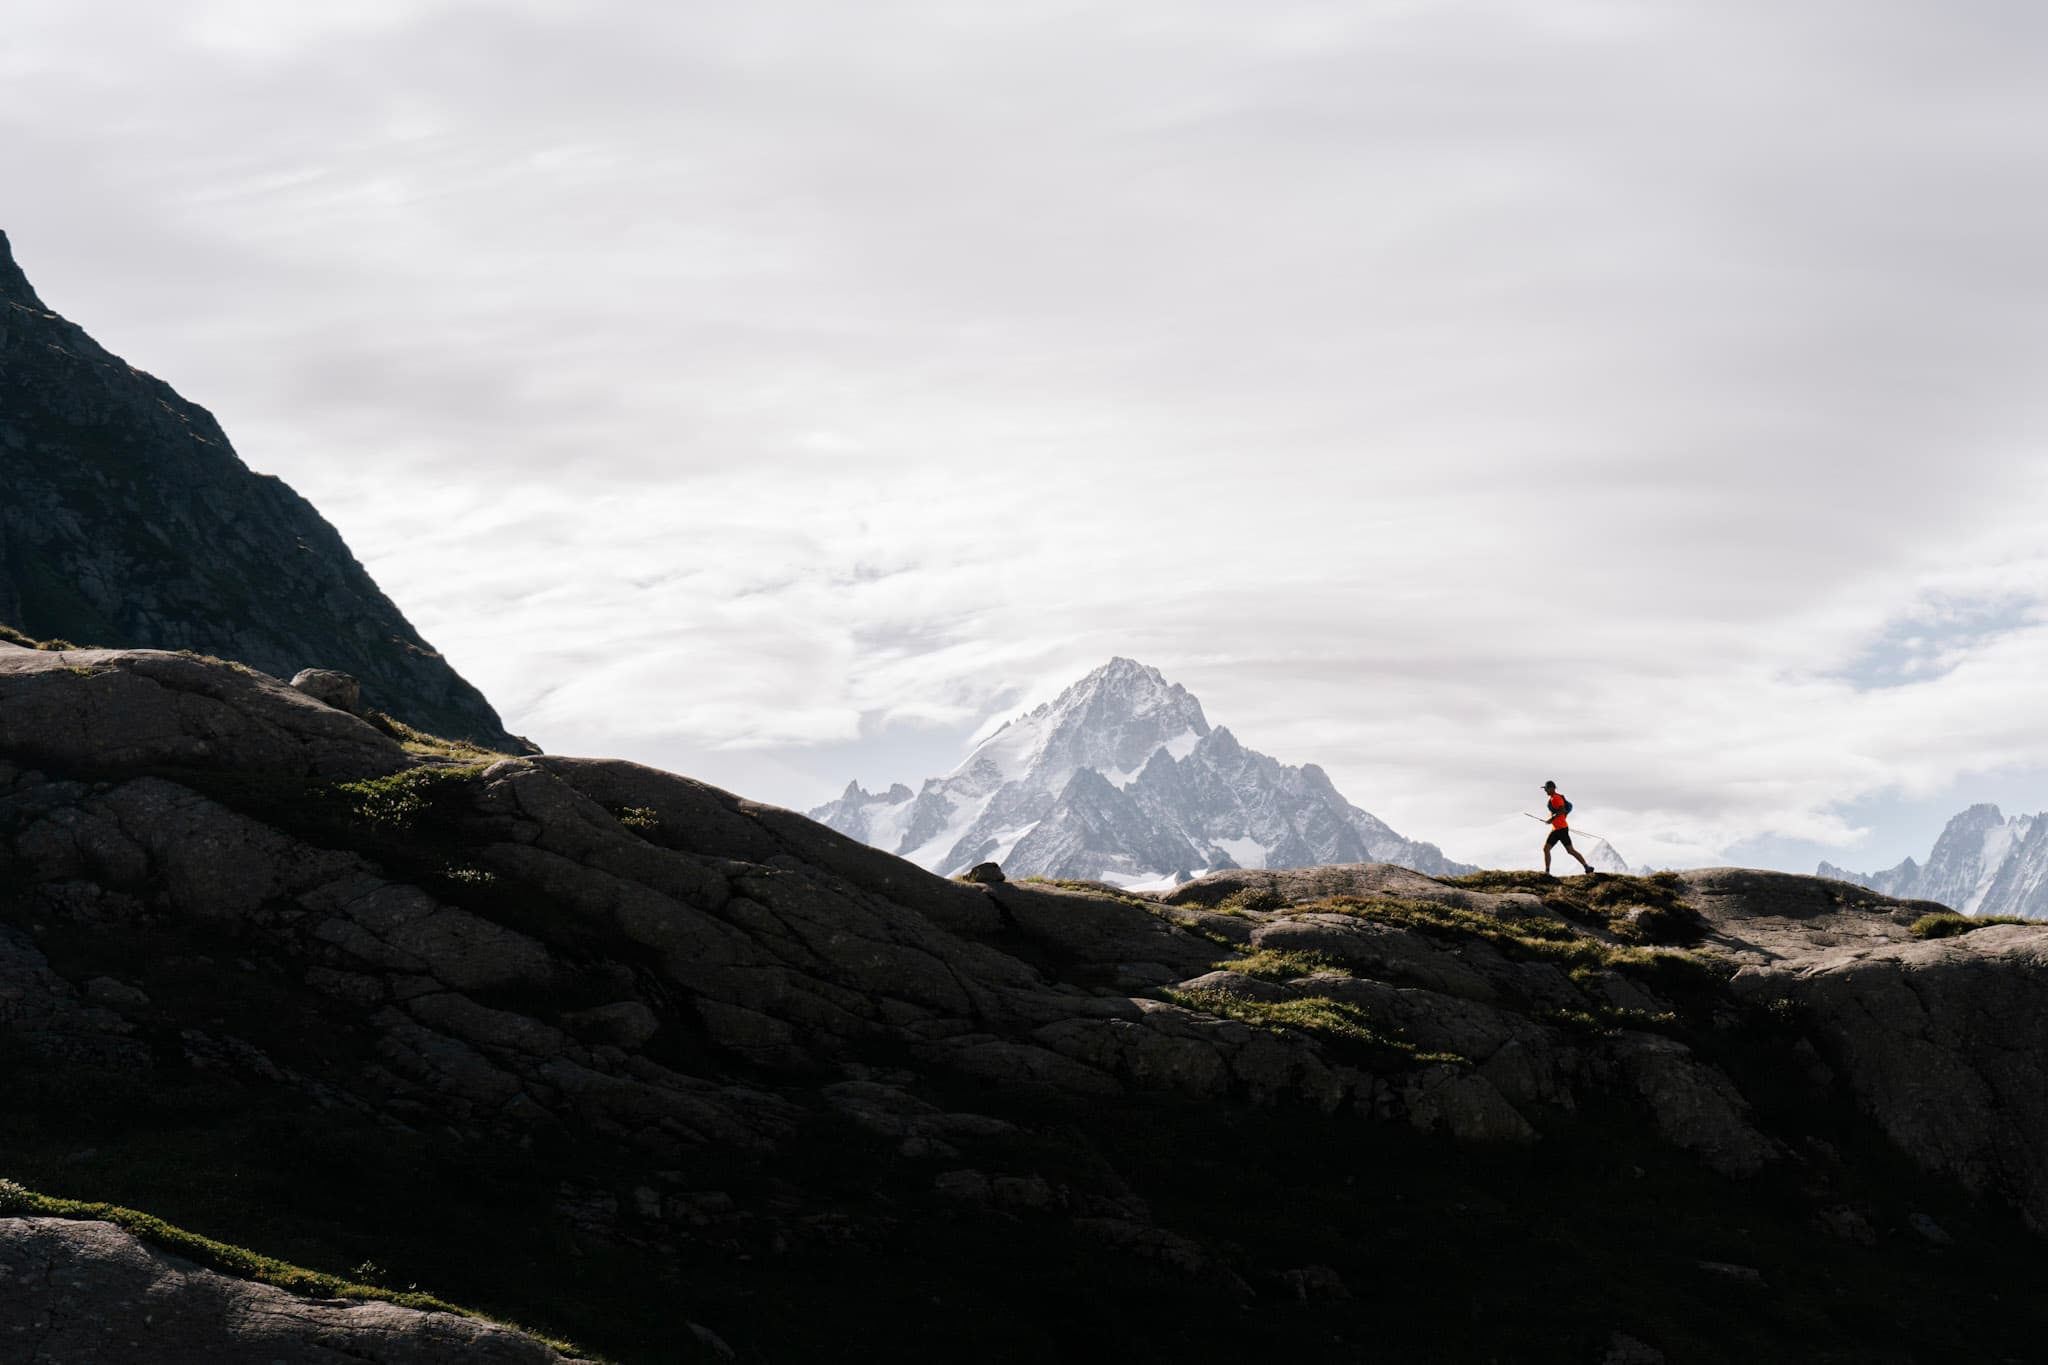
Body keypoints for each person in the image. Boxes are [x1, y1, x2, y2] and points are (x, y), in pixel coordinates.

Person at [1540, 780, 1595, 876]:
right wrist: (1551, 820)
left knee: (1570, 850)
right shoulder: (1553, 798)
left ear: (1552, 788)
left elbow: (1562, 810)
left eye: (1546, 788)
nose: (1545, 791)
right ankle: (1547, 872)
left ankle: (1587, 867)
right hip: (1556, 829)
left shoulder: (1556, 798)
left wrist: (1551, 819)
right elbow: (1559, 812)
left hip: (1561, 829)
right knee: (1546, 849)